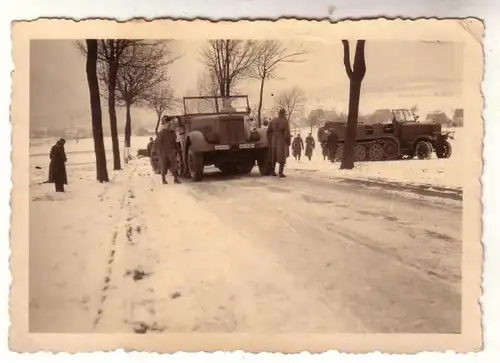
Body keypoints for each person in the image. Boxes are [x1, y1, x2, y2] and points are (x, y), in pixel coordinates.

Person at [266, 108, 291, 177]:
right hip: (281, 139)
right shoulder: (285, 121)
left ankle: (272, 171)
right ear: (283, 113)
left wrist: (270, 138)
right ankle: (280, 172)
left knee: (273, 155)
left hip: (273, 139)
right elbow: (287, 133)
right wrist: (288, 141)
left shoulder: (273, 120)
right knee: (281, 155)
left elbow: (268, 131)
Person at [157, 116, 181, 184]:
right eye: (165, 123)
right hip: (163, 151)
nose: (167, 124)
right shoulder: (161, 133)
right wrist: (159, 151)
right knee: (164, 165)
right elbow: (158, 143)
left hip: (171, 150)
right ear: (163, 125)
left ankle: (176, 179)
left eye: (168, 123)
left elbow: (175, 142)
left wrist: (178, 149)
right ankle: (163, 179)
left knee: (174, 165)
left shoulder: (172, 133)